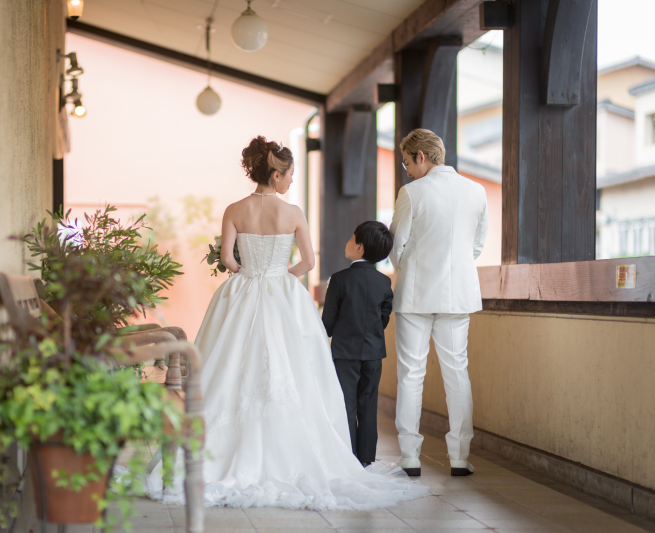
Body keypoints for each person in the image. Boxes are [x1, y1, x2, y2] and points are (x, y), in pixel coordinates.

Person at [152, 136, 427, 510]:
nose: (292, 180)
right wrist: (282, 276)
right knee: (295, 366)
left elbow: (228, 260)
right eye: (290, 174)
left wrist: (250, 272)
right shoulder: (294, 213)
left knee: (228, 363)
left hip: (243, 291)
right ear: (276, 174)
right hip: (283, 293)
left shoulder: (234, 209)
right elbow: (309, 262)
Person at [389, 129, 488, 477]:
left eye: (406, 162)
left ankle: (409, 456)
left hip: (416, 295)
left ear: (421, 156)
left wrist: (413, 268)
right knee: (457, 373)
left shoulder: (412, 193)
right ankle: (459, 457)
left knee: (411, 374)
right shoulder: (477, 191)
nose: (406, 171)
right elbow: (477, 246)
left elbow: (395, 246)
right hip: (458, 295)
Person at [321, 221, 394, 468]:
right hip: (373, 353)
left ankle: (348, 457)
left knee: (346, 405)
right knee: (368, 405)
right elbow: (383, 319)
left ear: (359, 247)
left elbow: (328, 323)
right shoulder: (384, 282)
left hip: (344, 353)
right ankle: (367, 458)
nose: (348, 242)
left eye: (352, 238)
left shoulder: (339, 280)